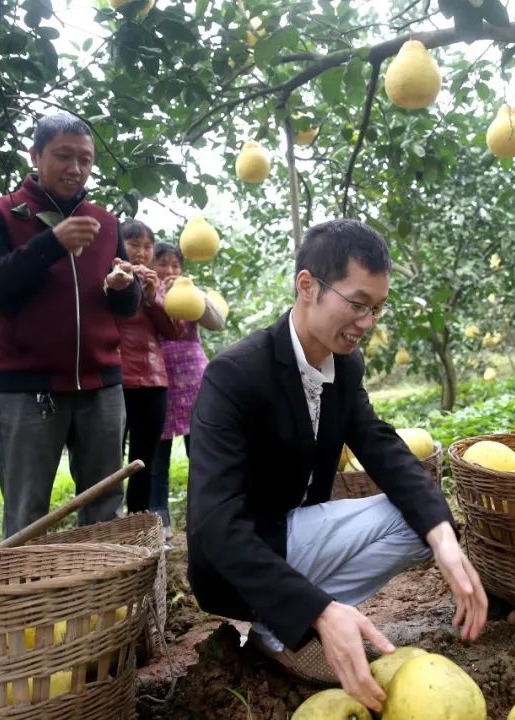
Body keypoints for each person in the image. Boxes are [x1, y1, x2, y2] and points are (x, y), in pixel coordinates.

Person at [186, 219, 487, 712]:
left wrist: (445, 542)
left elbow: (382, 447)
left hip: (296, 534)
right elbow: (214, 526)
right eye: (357, 303)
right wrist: (319, 610)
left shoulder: (344, 366)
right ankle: (286, 622)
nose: (367, 322)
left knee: (421, 521)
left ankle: (291, 617)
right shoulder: (235, 375)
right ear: (307, 286)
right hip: (237, 560)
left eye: (377, 308)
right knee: (319, 594)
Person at [0, 111, 141, 539]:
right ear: (36, 155)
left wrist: (123, 286)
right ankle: (29, 605)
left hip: (102, 387)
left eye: (85, 158)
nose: (76, 168)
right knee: (27, 513)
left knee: (104, 510)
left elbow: (128, 308)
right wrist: (52, 244)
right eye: (63, 156)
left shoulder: (107, 222)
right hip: (28, 388)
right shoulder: (0, 213)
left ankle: (103, 606)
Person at [148, 242, 225, 540]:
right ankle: (160, 531)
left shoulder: (191, 292)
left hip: (194, 381)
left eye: (175, 265)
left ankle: (211, 519)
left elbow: (217, 322)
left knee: (204, 454)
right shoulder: (145, 293)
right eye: (162, 263)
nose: (169, 270)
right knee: (157, 462)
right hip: (159, 383)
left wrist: (195, 294)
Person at [115, 221, 182, 516]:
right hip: (115, 379)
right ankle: (105, 525)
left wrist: (154, 296)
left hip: (154, 380)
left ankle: (139, 526)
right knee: (109, 461)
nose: (141, 253)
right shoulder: (107, 278)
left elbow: (173, 331)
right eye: (134, 245)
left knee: (145, 459)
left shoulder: (156, 284)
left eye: (146, 246)